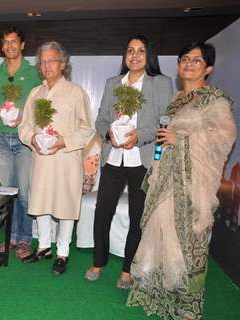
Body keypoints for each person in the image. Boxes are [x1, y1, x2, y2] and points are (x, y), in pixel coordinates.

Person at [127, 42, 236, 320]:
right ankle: (161, 295)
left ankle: (187, 305)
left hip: (193, 184)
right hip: (166, 180)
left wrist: (183, 140)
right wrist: (156, 165)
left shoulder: (215, 100)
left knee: (188, 242)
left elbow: (224, 139)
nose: (188, 64)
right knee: (162, 237)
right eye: (184, 59)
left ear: (208, 68)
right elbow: (164, 138)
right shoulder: (176, 100)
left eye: (196, 60)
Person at [84, 35, 173, 288]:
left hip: (142, 160)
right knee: (102, 212)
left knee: (138, 215)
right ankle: (98, 261)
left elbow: (165, 120)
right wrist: (108, 133)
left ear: (149, 56)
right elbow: (100, 119)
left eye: (141, 51)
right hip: (113, 157)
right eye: (130, 50)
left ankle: (127, 270)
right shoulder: (113, 83)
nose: (134, 55)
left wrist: (140, 136)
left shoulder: (160, 83)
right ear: (125, 55)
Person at [18, 41, 95, 275]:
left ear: (63, 64)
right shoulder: (35, 93)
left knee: (65, 205)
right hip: (40, 157)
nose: (47, 65)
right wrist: (33, 139)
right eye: (43, 61)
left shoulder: (75, 92)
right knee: (40, 201)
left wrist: (63, 141)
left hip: (66, 157)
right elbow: (24, 126)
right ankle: (43, 247)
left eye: (52, 60)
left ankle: (62, 253)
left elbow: (87, 128)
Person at [0, 26, 42, 259]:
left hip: (24, 140)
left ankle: (25, 239)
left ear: (22, 45)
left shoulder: (34, 73)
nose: (9, 46)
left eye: (13, 42)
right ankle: (10, 238)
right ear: (2, 46)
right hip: (0, 139)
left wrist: (26, 118)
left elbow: (42, 103)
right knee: (7, 192)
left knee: (25, 193)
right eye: (5, 42)